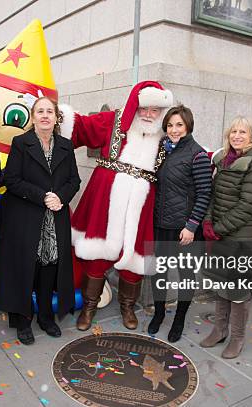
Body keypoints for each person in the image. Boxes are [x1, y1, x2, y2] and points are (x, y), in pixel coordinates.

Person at [58, 81, 174, 331]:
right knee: (97, 253)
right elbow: (82, 128)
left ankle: (127, 307)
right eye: (144, 109)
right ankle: (89, 307)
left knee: (135, 259)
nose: (149, 114)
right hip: (105, 200)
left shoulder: (166, 135)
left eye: (155, 110)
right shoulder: (114, 121)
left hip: (141, 205)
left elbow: (184, 158)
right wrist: (55, 115)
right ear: (136, 105)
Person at [0, 96, 80, 345]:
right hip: (25, 215)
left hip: (55, 217)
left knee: (49, 267)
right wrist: (43, 196)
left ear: (56, 118)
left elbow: (74, 181)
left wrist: (61, 198)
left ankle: (45, 316)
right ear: (33, 117)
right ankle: (23, 319)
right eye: (40, 111)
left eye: (49, 112)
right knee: (26, 267)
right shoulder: (21, 143)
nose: (45, 115)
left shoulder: (66, 145)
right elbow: (12, 180)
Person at [200, 116, 252, 359]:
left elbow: (247, 206)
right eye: (233, 132)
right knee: (221, 285)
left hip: (241, 239)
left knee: (238, 291)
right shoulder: (224, 161)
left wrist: (218, 228)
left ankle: (237, 338)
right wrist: (207, 221)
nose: (237, 136)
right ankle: (219, 329)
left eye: (243, 132)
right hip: (220, 235)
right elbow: (214, 196)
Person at [148, 105, 212, 342]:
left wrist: (192, 226)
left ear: (188, 126)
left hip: (184, 229)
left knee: (185, 276)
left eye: (179, 125)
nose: (173, 130)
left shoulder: (198, 154)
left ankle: (179, 319)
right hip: (160, 224)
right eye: (170, 125)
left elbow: (205, 193)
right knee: (159, 273)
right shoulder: (163, 151)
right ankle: (159, 313)